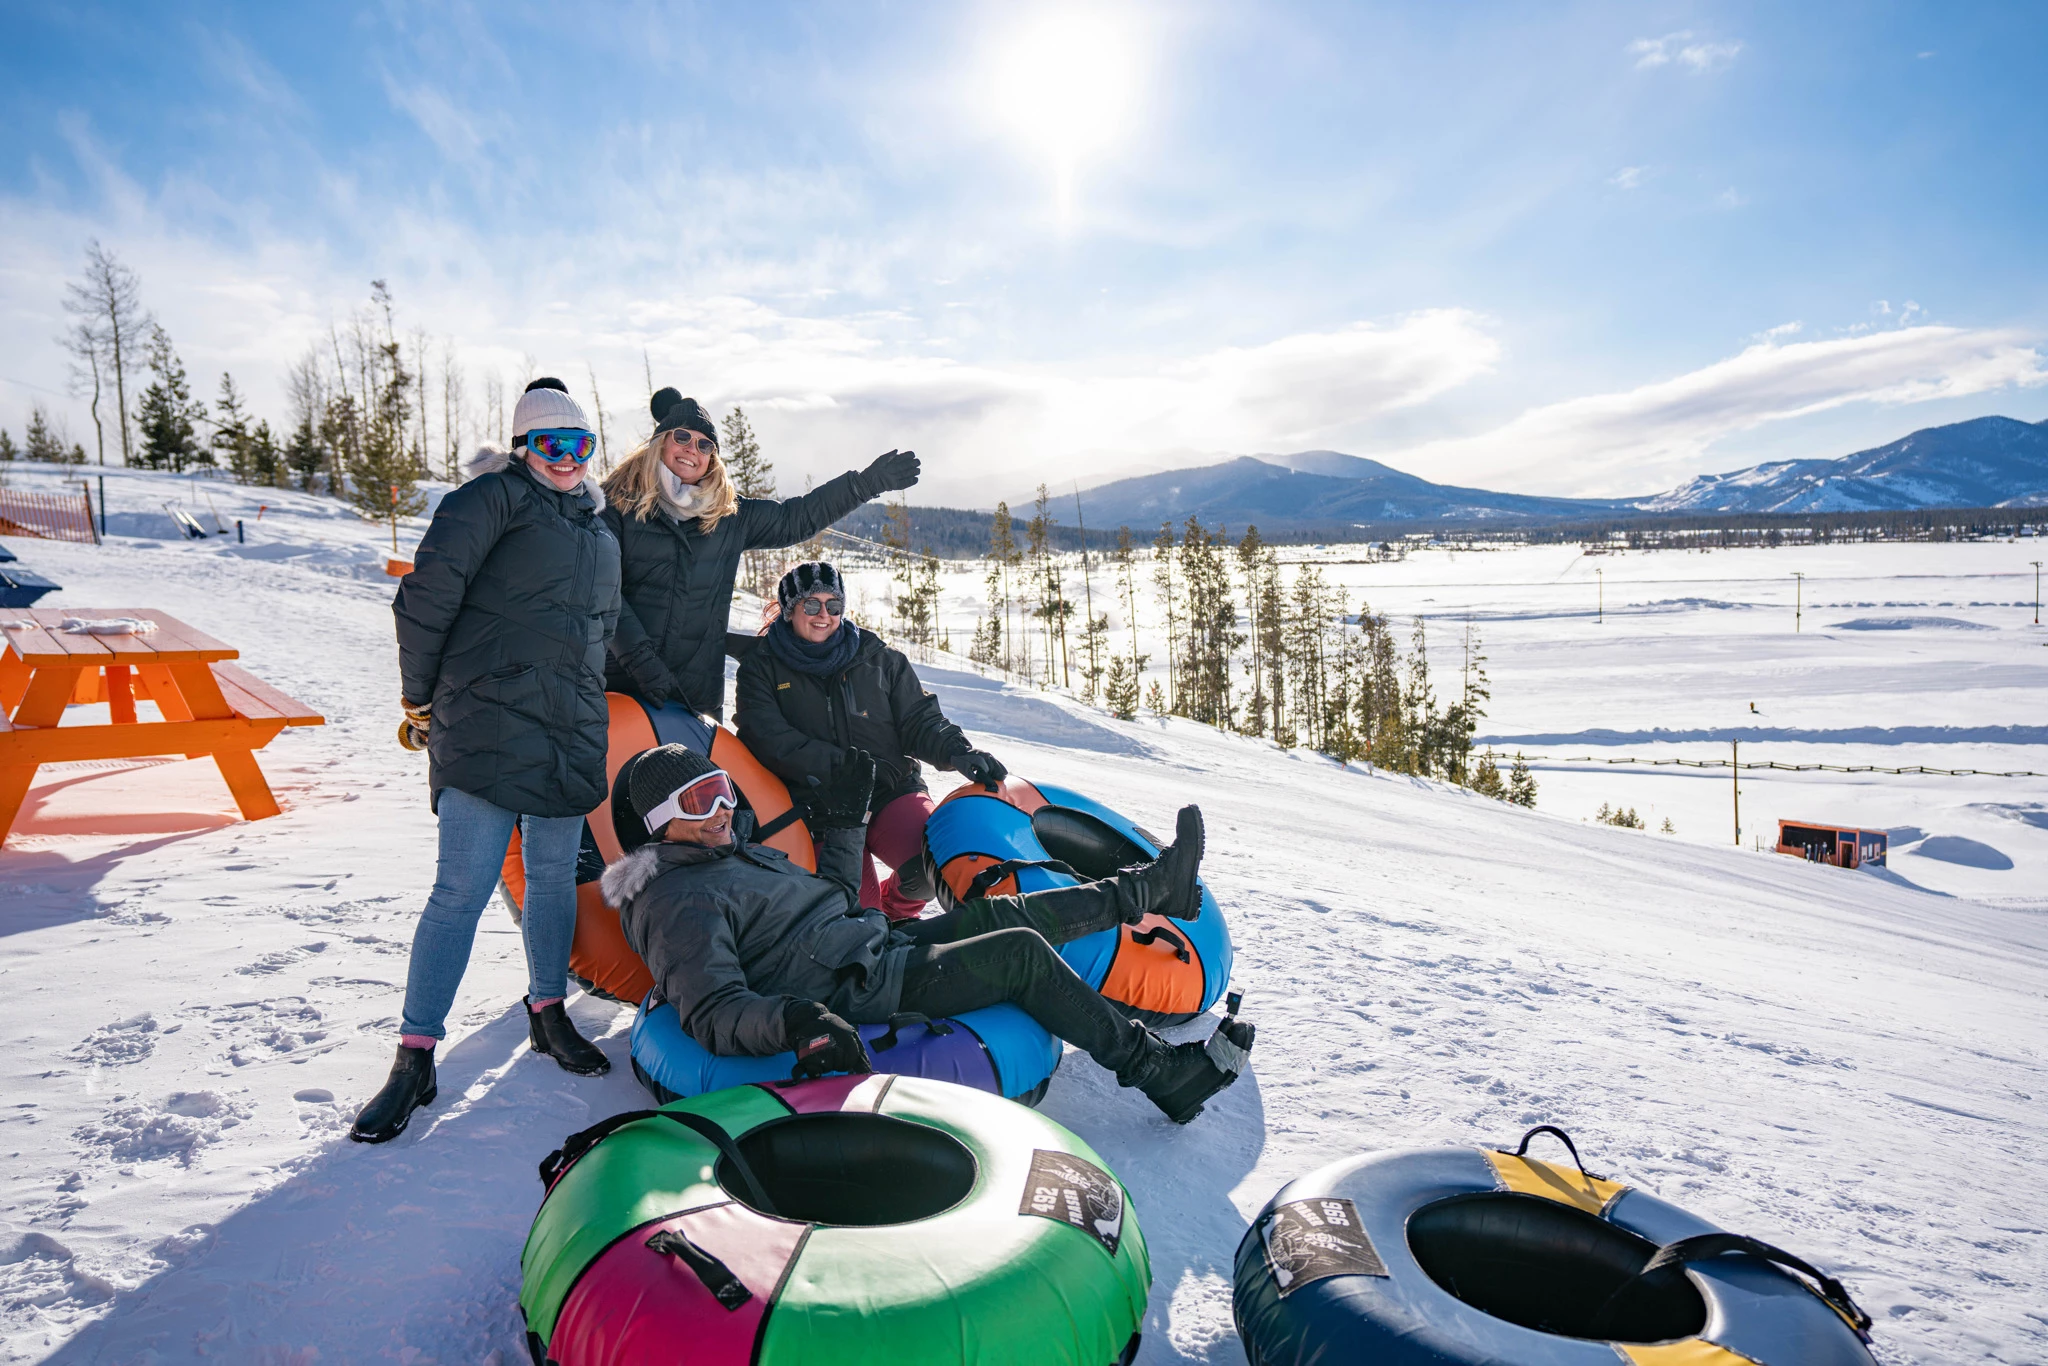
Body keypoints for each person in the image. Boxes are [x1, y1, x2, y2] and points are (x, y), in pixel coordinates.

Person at [600, 744, 1256, 1125]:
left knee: (1001, 915)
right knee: (1019, 952)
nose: (721, 810)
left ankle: (1147, 891)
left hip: (866, 946)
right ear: (660, 822)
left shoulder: (732, 855)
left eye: (720, 790)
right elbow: (713, 1012)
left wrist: (850, 818)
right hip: (853, 989)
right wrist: (798, 1021)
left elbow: (819, 905)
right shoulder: (675, 900)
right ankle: (1161, 1072)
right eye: (697, 802)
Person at [353, 378, 621, 1145]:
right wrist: (420, 702)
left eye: (579, 445)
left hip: (568, 728)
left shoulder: (599, 529)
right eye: (549, 444)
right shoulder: (487, 501)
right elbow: (424, 601)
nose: (565, 459)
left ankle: (546, 1010)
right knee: (460, 890)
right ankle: (415, 1052)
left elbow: (606, 630)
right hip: (486, 723)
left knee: (552, 881)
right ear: (523, 447)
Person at [599, 388, 921, 718]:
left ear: (712, 458)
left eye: (704, 444)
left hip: (692, 698)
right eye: (682, 437)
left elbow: (796, 518)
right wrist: (639, 661)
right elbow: (604, 592)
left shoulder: (727, 517)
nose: (691, 450)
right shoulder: (617, 506)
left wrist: (864, 484)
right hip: (618, 685)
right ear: (661, 441)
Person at [735, 561, 1004, 919]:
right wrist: (841, 768)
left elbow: (918, 719)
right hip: (816, 806)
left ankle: (897, 919)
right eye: (811, 604)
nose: (823, 615)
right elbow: (767, 737)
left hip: (887, 788)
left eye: (833, 606)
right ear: (789, 610)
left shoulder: (877, 658)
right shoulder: (761, 666)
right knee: (857, 913)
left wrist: (958, 751)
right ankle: (874, 926)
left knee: (935, 866)